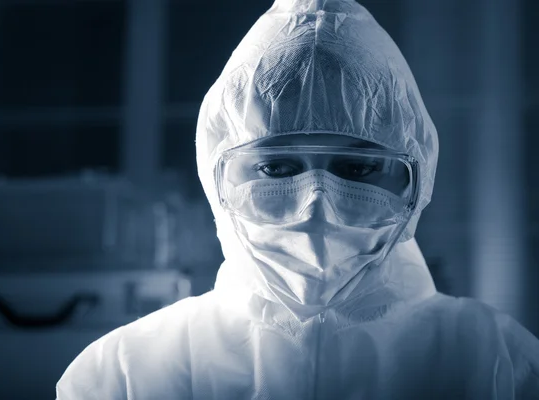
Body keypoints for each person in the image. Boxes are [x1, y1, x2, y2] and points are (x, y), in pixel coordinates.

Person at [56, 0, 539, 398]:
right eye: (275, 168)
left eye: (358, 168)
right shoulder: (121, 377)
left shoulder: (501, 364)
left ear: (417, 181)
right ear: (216, 177)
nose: (315, 206)